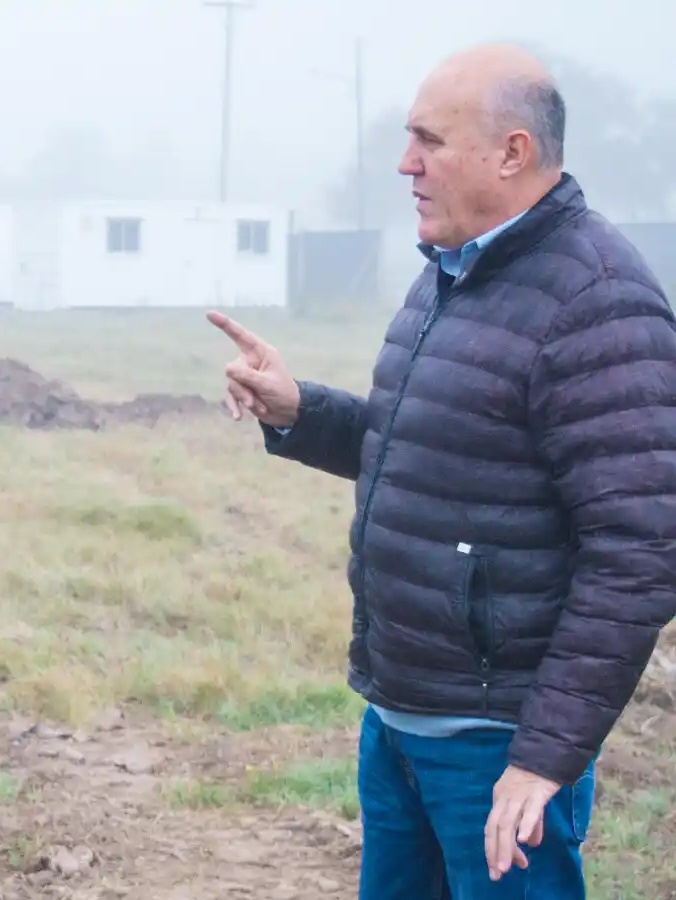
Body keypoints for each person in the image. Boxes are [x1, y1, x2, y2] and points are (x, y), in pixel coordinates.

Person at [208, 43, 676, 899]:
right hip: (399, 722)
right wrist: (298, 410)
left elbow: (641, 550)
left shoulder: (597, 301)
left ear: (512, 153)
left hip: (498, 748)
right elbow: (422, 454)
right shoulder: (452, 276)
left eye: (430, 141)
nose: (404, 164)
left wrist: (542, 759)